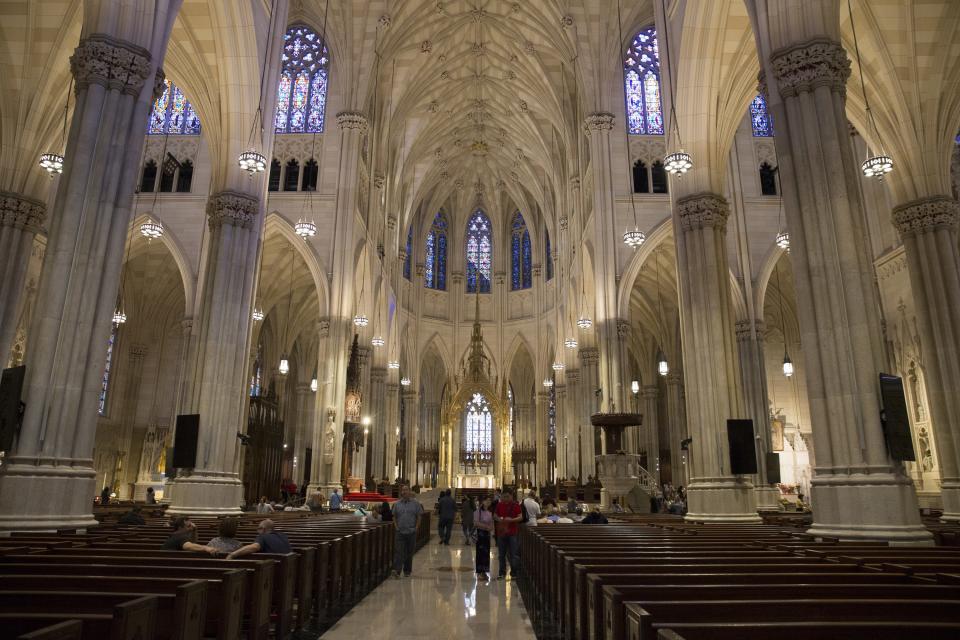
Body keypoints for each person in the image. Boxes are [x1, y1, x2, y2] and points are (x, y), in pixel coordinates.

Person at [391, 485, 424, 577]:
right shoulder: (397, 504)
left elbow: (419, 516)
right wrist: (396, 527)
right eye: (403, 490)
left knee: (409, 552)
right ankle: (397, 571)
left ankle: (407, 570)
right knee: (399, 551)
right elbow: (394, 516)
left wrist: (417, 527)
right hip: (400, 532)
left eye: (406, 490)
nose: (404, 492)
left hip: (411, 531)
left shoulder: (416, 504)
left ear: (409, 491)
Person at [493, 489, 522, 579]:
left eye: (507, 496)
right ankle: (502, 572)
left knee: (514, 554)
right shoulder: (499, 505)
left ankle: (514, 573)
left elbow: (521, 517)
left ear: (511, 496)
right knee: (501, 554)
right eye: (504, 496)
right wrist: (500, 519)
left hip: (512, 533)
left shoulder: (516, 505)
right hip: (502, 533)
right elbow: (495, 515)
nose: (505, 498)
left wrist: (512, 520)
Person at [227, 519, 291, 558]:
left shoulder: (263, 536)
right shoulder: (283, 535)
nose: (257, 531)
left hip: (274, 568)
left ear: (263, 529)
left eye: (258, 528)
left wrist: (232, 554)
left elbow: (254, 547)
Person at [473, 496, 494, 579]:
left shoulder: (489, 512)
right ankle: (479, 572)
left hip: (487, 535)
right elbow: (476, 523)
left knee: (486, 553)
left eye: (490, 501)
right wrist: (486, 527)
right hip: (480, 534)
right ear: (483, 501)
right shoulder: (477, 512)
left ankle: (485, 571)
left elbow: (491, 524)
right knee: (480, 553)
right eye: (487, 500)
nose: (489, 502)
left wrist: (490, 527)